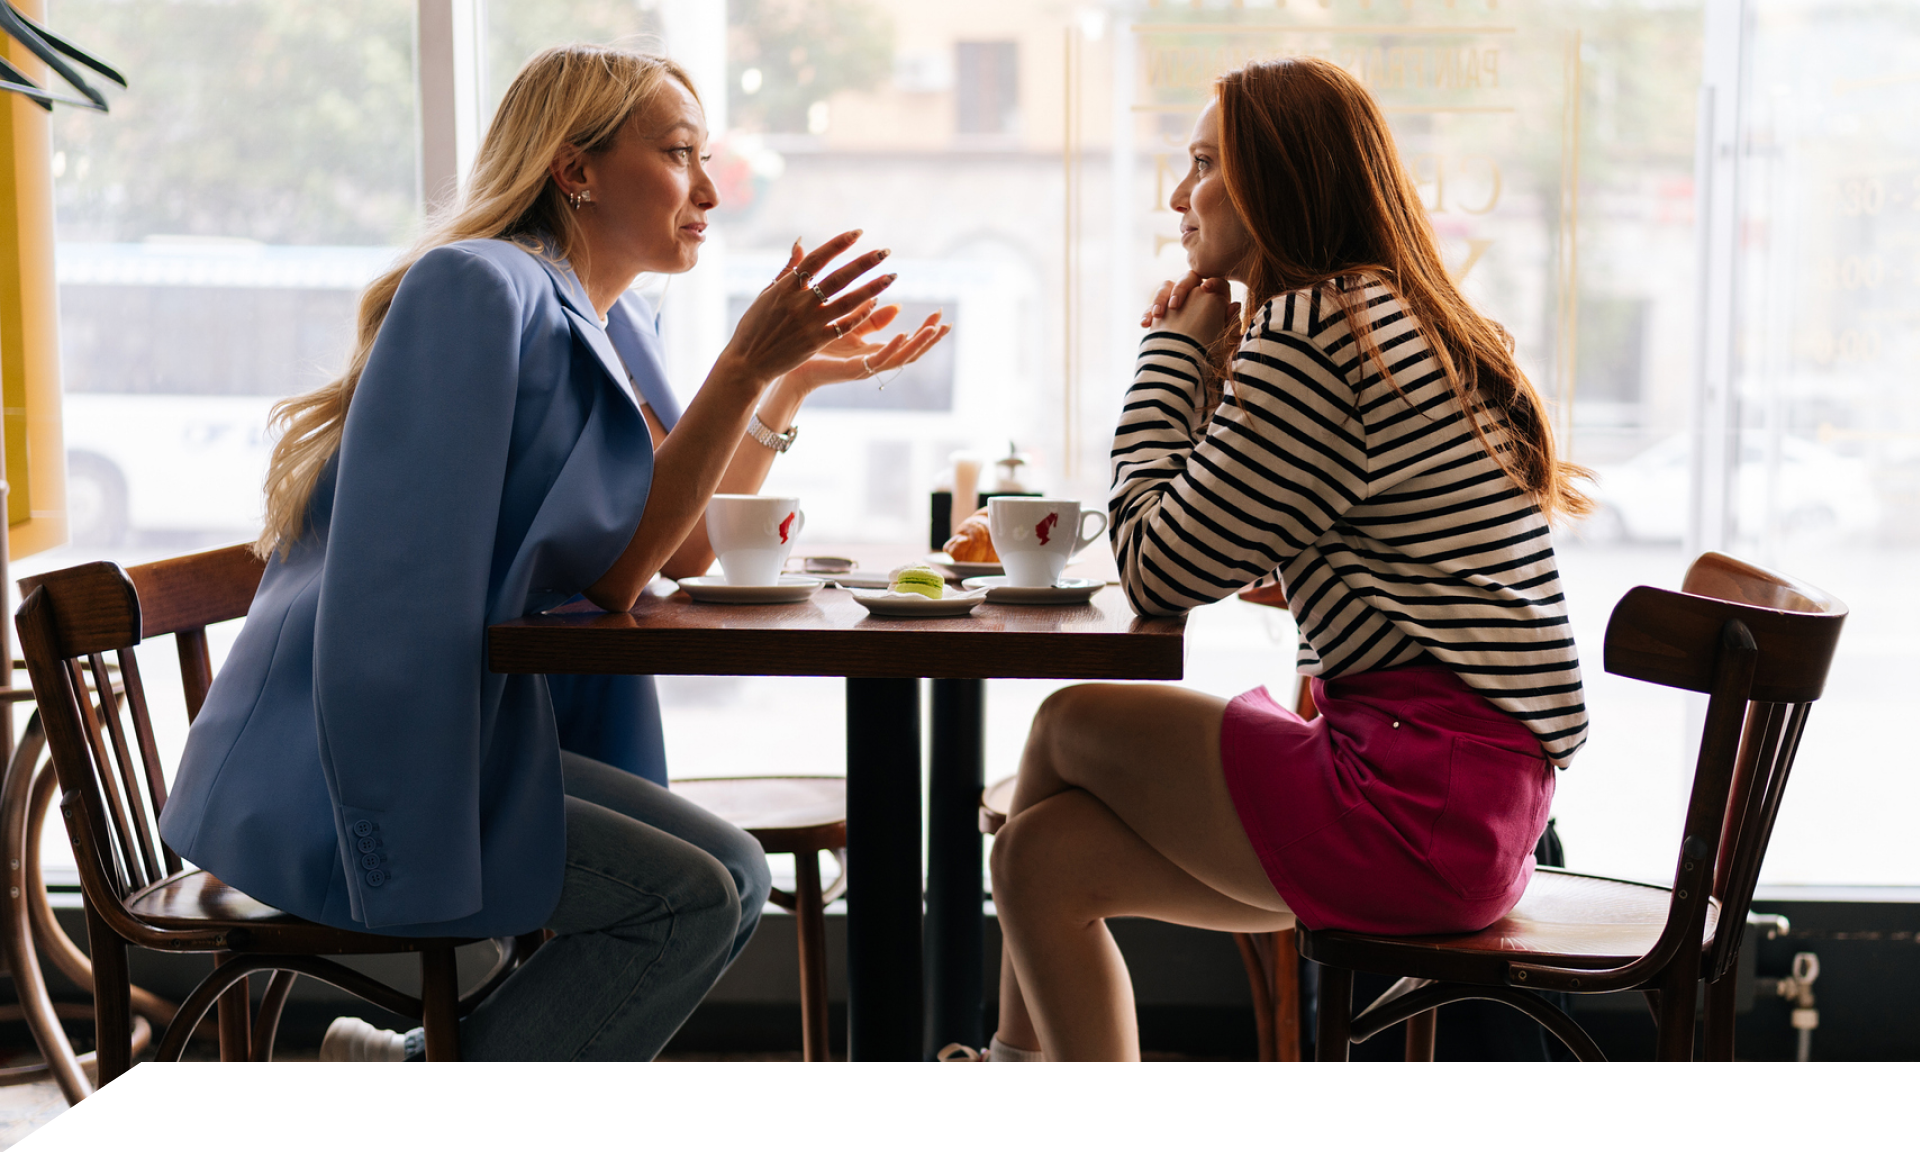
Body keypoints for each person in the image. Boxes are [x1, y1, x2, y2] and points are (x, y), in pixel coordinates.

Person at [157, 44, 945, 1061]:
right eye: (678, 153)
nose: (709, 189)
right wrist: (745, 362)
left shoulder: (624, 323)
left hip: (476, 729)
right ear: (574, 169)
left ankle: (403, 1061)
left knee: (736, 876)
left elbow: (687, 546)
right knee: (688, 904)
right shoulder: (474, 289)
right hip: (357, 754)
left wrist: (779, 385)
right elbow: (608, 579)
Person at [978, 57, 1591, 1062]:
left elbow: (1157, 570)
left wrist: (1171, 354)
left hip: (1408, 805)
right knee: (1040, 858)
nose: (1180, 196)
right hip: (1471, 811)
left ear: (1278, 180)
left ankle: (1010, 1057)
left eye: (1205, 163)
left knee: (1067, 721)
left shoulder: (1322, 328)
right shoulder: (1388, 317)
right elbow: (1314, 539)